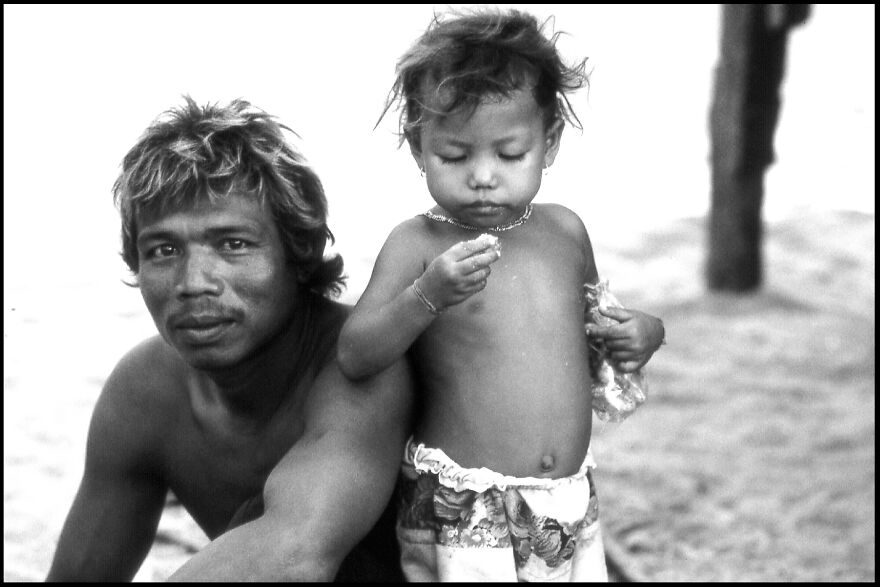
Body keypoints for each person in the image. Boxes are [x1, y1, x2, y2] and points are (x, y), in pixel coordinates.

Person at [335, 8, 666, 582]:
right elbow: (357, 353)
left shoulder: (564, 232)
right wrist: (428, 294)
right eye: (455, 156)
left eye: (509, 154)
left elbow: (598, 330)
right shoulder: (419, 244)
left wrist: (643, 333)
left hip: (566, 501)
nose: (483, 176)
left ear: (549, 142)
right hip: (466, 504)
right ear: (418, 147)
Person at [46, 97, 413, 582]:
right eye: (163, 249)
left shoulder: (361, 360)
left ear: (298, 251)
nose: (193, 281)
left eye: (232, 244)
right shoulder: (147, 393)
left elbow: (295, 552)